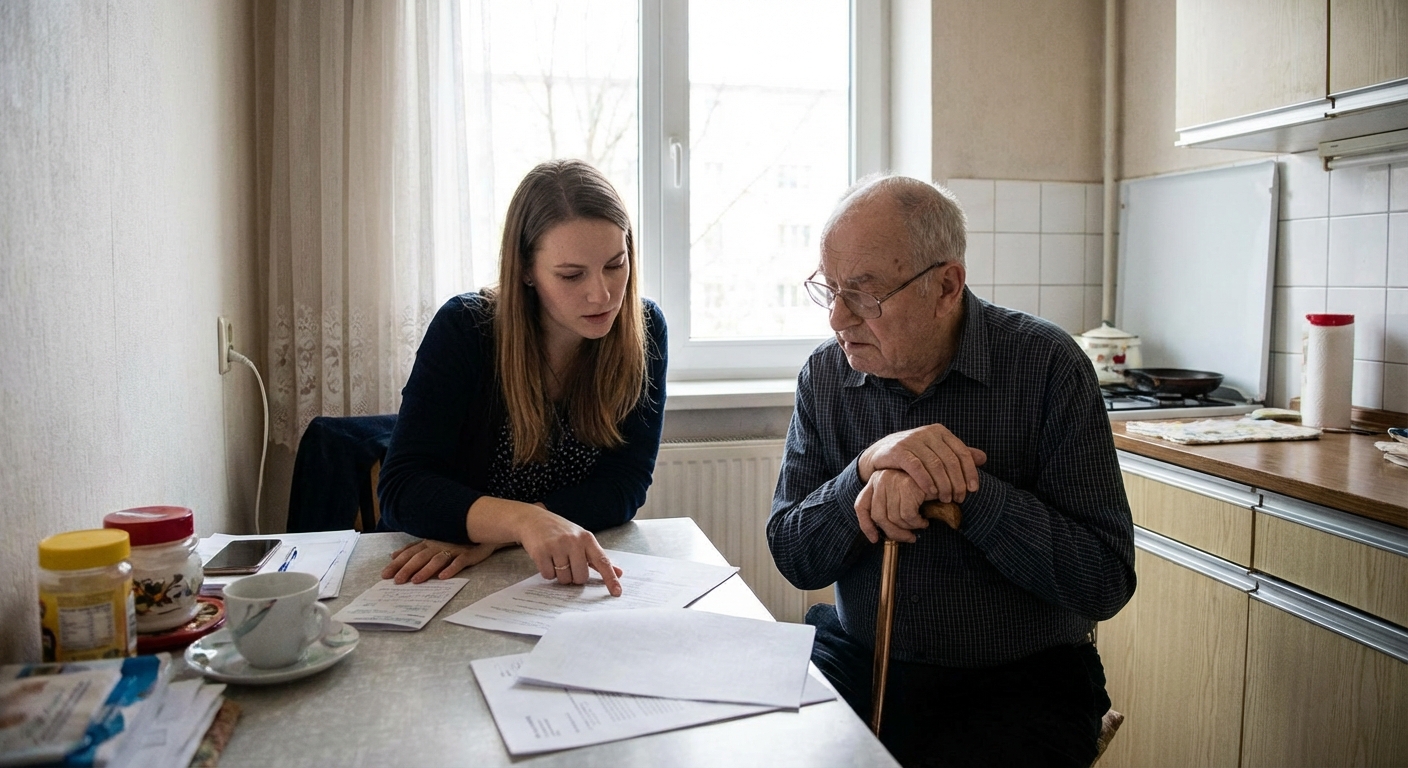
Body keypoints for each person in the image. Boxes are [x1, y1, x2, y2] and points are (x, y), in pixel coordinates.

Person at [768, 174, 1135, 767]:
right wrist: (864, 472)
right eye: (829, 289)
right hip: (859, 654)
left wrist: (968, 493)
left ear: (945, 286)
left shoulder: (1049, 367)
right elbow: (793, 555)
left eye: (863, 294)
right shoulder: (827, 377)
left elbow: (1104, 580)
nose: (837, 318)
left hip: (1023, 679)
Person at [377, 159, 667, 597]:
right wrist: (525, 523)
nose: (602, 294)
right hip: (440, 579)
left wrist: (500, 535)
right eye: (571, 275)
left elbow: (623, 486)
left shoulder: (644, 328)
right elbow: (403, 489)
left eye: (615, 264)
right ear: (527, 270)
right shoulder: (465, 329)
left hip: (533, 576)